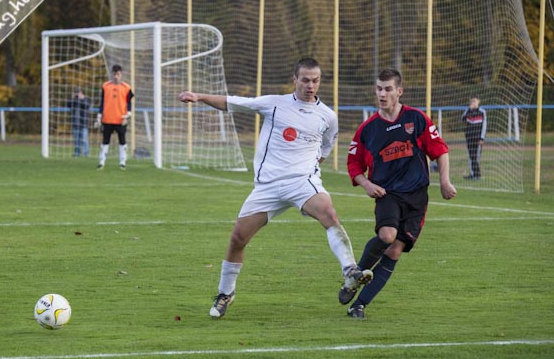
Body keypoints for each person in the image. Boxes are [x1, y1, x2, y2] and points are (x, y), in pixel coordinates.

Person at [178, 57, 373, 319]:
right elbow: (232, 102)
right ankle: (226, 293)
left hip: (301, 181)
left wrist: (309, 169)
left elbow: (326, 147)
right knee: (238, 238)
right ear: (295, 79)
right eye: (305, 80)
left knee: (328, 213)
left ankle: (350, 271)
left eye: (315, 80)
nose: (310, 85)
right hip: (268, 185)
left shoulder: (328, 116)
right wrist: (199, 96)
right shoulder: (275, 104)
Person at [344, 68, 457, 319]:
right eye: (379, 89)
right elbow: (353, 165)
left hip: (417, 196)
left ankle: (358, 305)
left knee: (394, 252)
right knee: (387, 236)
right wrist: (366, 184)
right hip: (387, 194)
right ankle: (354, 275)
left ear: (399, 91)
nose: (382, 94)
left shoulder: (417, 119)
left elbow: (440, 150)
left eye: (388, 89)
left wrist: (444, 181)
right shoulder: (367, 129)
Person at [96, 64, 135, 170]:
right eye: (114, 74)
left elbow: (129, 103)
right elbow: (102, 102)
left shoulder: (126, 88)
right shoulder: (105, 86)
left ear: (121, 74)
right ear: (112, 74)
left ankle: (122, 162)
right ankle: (101, 162)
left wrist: (128, 114)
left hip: (120, 119)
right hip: (107, 118)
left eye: (117, 74)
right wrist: (99, 115)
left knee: (122, 141)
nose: (115, 76)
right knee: (105, 141)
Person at [461, 96, 487, 180]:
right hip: (469, 137)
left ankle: (477, 175)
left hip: (477, 138)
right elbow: (462, 119)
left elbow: (484, 126)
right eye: (472, 101)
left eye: (474, 101)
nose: (473, 102)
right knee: (470, 156)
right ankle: (472, 174)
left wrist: (482, 138)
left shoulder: (482, 112)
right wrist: (469, 109)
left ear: (479, 101)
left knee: (476, 157)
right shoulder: (468, 111)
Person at [68, 88, 91, 157]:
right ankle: (77, 153)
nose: (77, 94)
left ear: (82, 92)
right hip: (75, 123)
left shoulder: (86, 99)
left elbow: (86, 105)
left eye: (78, 92)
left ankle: (86, 154)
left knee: (84, 139)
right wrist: (72, 98)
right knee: (76, 140)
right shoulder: (74, 100)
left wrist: (82, 99)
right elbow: (68, 104)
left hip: (83, 123)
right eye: (76, 92)